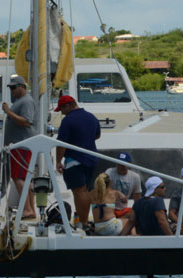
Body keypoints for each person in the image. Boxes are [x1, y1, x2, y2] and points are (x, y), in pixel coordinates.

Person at [54, 94, 101, 227]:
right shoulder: (92, 117)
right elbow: (97, 135)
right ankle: (84, 220)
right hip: (92, 159)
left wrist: (58, 161)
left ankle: (83, 222)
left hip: (75, 160)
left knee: (79, 191)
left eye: (62, 109)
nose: (62, 113)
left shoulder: (68, 120)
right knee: (86, 191)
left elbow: (61, 144)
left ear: (68, 106)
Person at [1, 73, 37, 217]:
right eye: (10, 88)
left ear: (22, 87)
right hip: (19, 145)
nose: (12, 91)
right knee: (23, 178)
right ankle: (31, 209)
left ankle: (27, 209)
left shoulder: (26, 101)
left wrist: (8, 112)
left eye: (14, 87)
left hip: (22, 145)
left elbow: (26, 121)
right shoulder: (21, 101)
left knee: (18, 177)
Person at [104, 151, 142, 218]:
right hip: (109, 208)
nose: (120, 166)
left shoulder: (135, 177)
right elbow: (103, 189)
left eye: (123, 164)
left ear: (129, 164)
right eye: (119, 163)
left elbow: (137, 198)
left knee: (135, 213)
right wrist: (117, 193)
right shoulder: (109, 172)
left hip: (123, 210)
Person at [90, 171, 123, 235]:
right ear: (109, 183)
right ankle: (128, 237)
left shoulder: (92, 193)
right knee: (128, 221)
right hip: (111, 227)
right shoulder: (114, 193)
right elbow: (124, 200)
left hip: (98, 228)